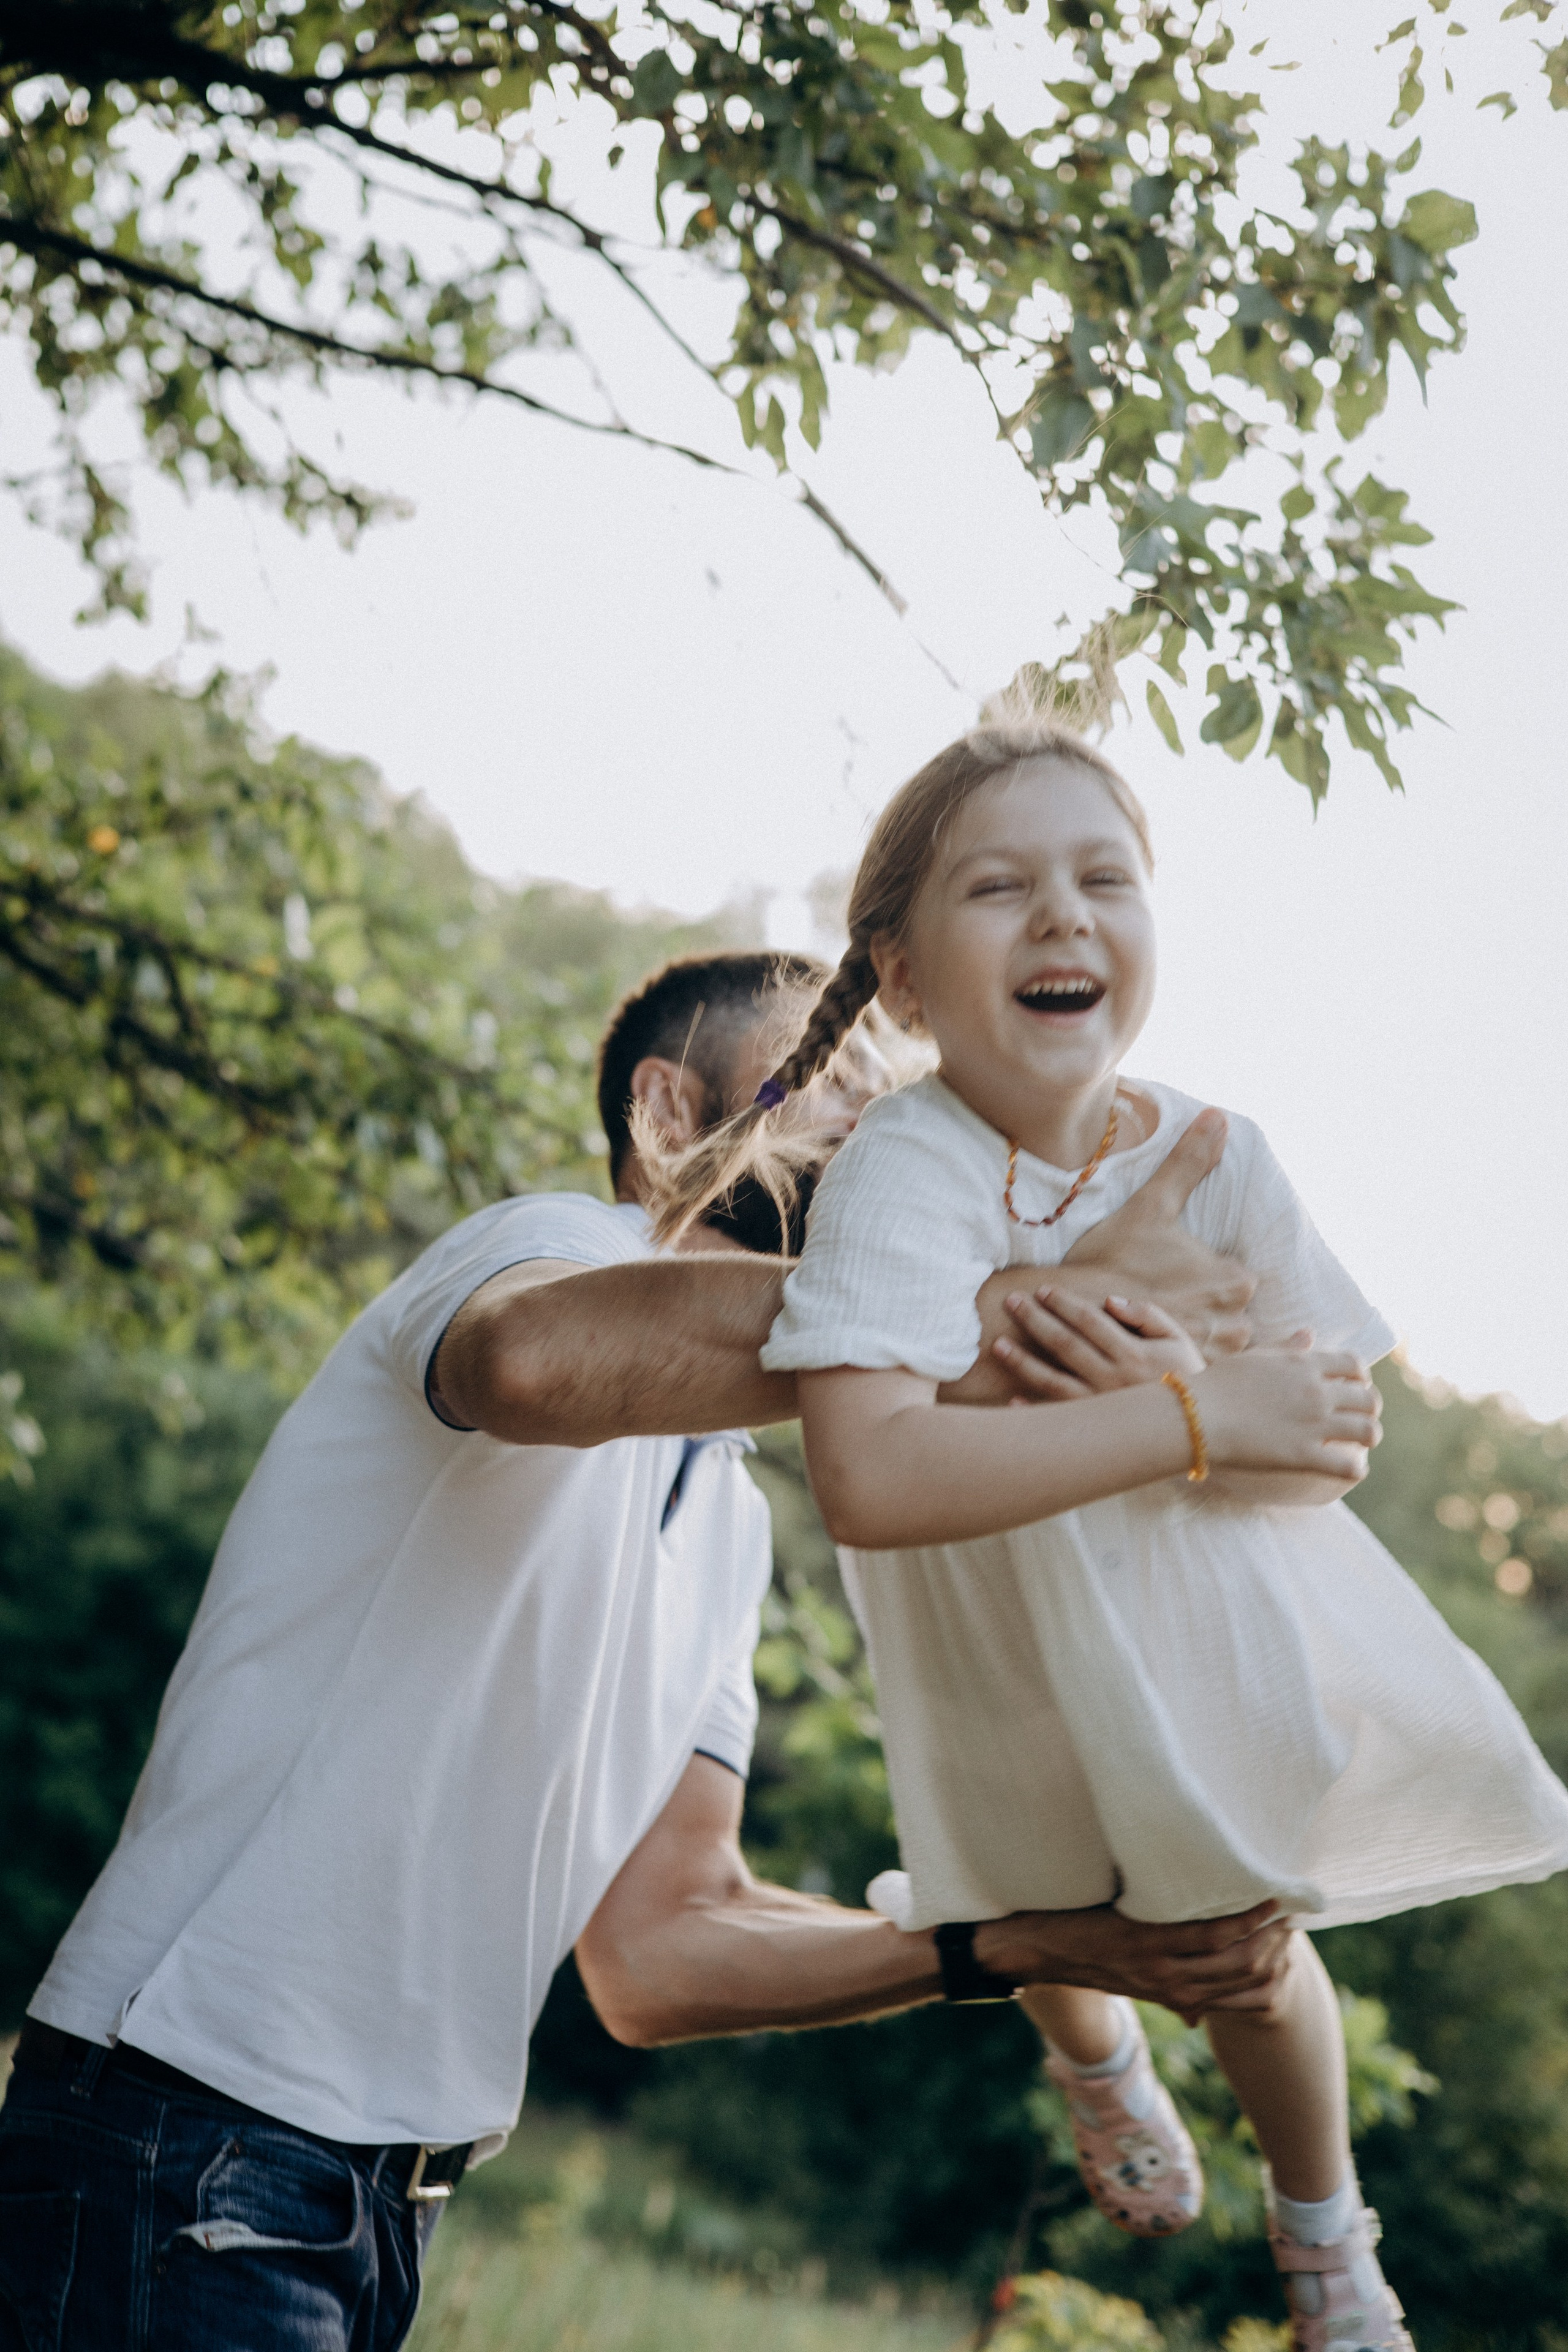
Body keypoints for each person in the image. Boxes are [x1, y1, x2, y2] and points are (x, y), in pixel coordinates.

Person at [0, 946, 1287, 2351]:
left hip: (377, 2207)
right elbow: (529, 1364)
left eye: (891, 1102)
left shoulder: (728, 1517)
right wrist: (973, 1319)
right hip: (193, 2131)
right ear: (669, 1119)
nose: (873, 1128)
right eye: (830, 1085)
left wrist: (1030, 1946)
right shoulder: (547, 1244)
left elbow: (665, 1949)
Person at [643, 709, 1568, 2352]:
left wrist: (1250, 1420)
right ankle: (1094, 2058)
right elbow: (873, 1477)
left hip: (1201, 1607)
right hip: (990, 1624)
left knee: (1242, 1939)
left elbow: (1332, 1437)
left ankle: (1326, 2238)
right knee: (1020, 1888)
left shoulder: (1220, 1154)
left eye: (1107, 879)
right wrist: (1192, 1411)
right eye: (1003, 887)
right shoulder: (907, 1171)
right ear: (907, 980)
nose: (1067, 915)